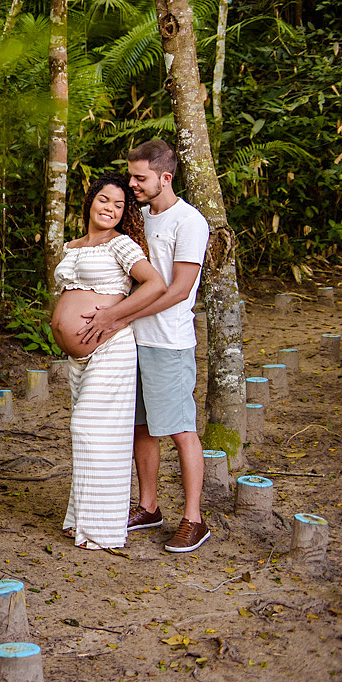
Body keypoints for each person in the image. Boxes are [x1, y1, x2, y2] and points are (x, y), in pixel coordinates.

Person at [78, 139, 212, 553]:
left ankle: (194, 519)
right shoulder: (138, 217)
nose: (132, 184)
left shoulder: (189, 222)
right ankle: (149, 506)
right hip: (130, 343)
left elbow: (179, 290)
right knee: (139, 427)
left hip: (167, 343)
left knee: (179, 428)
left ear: (164, 178)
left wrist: (119, 316)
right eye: (131, 176)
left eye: (140, 178)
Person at [51, 173, 166, 550]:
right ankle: (81, 520)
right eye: (104, 200)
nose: (110, 209)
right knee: (87, 433)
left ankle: (101, 530)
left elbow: (155, 285)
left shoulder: (122, 245)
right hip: (79, 358)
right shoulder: (74, 246)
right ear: (90, 202)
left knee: (90, 429)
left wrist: (111, 317)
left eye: (119, 205)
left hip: (110, 348)